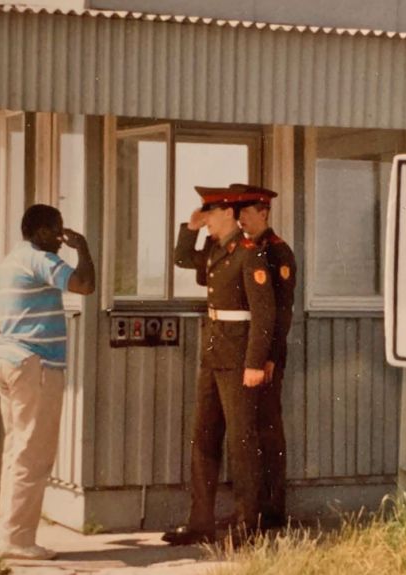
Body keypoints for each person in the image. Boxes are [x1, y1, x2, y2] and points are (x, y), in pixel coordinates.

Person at [163, 186, 276, 546]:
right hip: (213, 358)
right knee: (204, 440)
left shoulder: (249, 255)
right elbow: (182, 258)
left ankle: (248, 527)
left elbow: (264, 313)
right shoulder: (216, 250)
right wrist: (190, 227)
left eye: (209, 214)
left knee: (243, 443)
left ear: (228, 213)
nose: (207, 220)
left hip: (240, 359)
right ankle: (200, 523)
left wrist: (255, 362)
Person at [0, 204, 95, 560]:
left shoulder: (13, 258)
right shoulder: (39, 259)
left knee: (16, 452)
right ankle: (17, 541)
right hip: (35, 365)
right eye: (56, 230)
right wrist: (83, 248)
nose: (61, 238)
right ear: (38, 232)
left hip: (9, 358)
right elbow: (84, 285)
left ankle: (8, 534)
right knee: (33, 455)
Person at [233, 183, 297, 529]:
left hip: (266, 357)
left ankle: (272, 510)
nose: (241, 218)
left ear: (264, 212)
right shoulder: (245, 250)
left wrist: (269, 357)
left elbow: (281, 311)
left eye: (247, 211)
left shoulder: (277, 252)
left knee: (267, 430)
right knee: (248, 430)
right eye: (238, 212)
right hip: (245, 354)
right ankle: (251, 509)